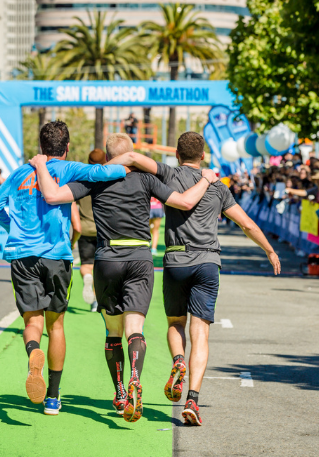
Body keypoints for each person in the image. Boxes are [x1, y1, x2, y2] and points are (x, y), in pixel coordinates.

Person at [31, 132, 218, 423]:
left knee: (112, 332)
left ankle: (120, 393)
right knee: (135, 330)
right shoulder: (146, 179)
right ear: (132, 155)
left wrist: (41, 165)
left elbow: (52, 195)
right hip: (141, 260)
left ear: (108, 157)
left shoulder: (95, 178)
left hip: (106, 260)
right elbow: (183, 202)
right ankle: (135, 378)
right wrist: (207, 179)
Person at [108, 132, 281, 425]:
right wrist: (269, 250)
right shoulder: (218, 186)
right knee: (200, 333)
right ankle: (193, 401)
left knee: (176, 323)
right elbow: (246, 224)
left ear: (177, 154)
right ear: (203, 156)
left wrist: (106, 164)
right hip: (208, 262)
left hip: (176, 259)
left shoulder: (168, 174)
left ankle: (178, 362)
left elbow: (135, 158)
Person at [0, 120, 128, 416]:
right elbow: (106, 171)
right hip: (57, 255)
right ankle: (52, 398)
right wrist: (131, 162)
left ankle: (32, 352)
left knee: (32, 323)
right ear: (65, 148)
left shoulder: (19, 173)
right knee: (57, 325)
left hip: (22, 256)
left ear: (40, 147)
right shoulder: (67, 168)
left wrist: (14, 227)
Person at [76, 149, 106, 312]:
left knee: (86, 264)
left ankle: (87, 280)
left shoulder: (82, 181)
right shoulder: (108, 181)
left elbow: (74, 204)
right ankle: (97, 301)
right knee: (100, 268)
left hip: (84, 229)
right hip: (103, 230)